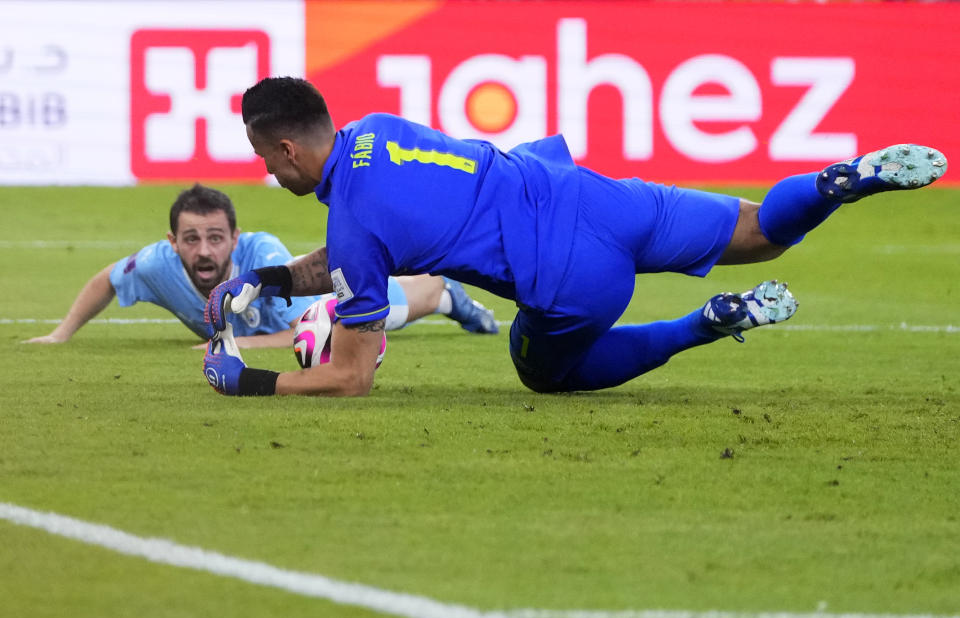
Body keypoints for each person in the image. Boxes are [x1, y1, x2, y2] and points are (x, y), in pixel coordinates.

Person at [201, 76, 947, 397]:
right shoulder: (378, 132)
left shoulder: (355, 223)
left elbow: (351, 374)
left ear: (290, 151)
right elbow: (357, 253)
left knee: (545, 373)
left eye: (264, 158)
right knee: (760, 233)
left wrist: (253, 380)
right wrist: (264, 281)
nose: (265, 170)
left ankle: (708, 322)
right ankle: (833, 183)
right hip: (592, 196)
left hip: (570, 274)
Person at [25, 184, 498, 348]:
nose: (204, 250)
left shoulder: (263, 255)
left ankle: (443, 292)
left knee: (391, 309)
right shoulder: (156, 265)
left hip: (325, 306)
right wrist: (61, 333)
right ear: (173, 243)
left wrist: (232, 345)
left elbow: (303, 331)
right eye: (191, 239)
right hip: (281, 322)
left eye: (215, 238)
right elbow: (106, 279)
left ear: (236, 237)